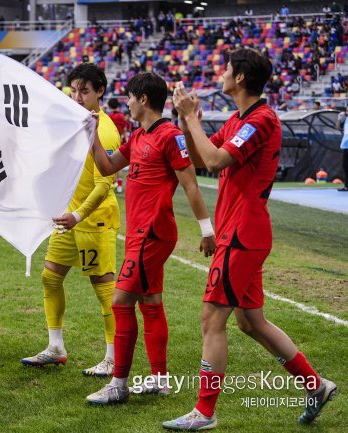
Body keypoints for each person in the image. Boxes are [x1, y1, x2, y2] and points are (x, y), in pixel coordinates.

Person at [164, 48, 337, 430]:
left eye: (226, 68)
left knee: (211, 319)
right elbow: (198, 157)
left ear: (240, 78)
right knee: (251, 323)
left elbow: (215, 161)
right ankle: (316, 386)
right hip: (238, 232)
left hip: (243, 234)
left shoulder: (261, 120)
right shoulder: (240, 119)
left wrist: (192, 117)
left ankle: (205, 413)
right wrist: (185, 120)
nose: (222, 74)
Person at [85, 72, 215, 405]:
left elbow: (190, 186)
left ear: (143, 99)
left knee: (120, 301)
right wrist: (92, 137)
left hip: (153, 233)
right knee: (151, 304)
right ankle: (159, 380)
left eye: (129, 97)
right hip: (138, 235)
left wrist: (206, 231)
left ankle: (118, 384)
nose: (126, 102)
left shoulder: (170, 136)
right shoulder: (139, 137)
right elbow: (106, 166)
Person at [21, 64, 121, 378]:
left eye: (85, 91)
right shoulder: (73, 124)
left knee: (103, 287)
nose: (77, 97)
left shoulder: (104, 129)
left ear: (100, 92)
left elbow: (106, 185)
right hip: (69, 217)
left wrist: (78, 215)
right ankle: (56, 347)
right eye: (73, 90)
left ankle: (113, 358)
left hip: (93, 221)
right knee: (50, 277)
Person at [335, 106, 348, 191]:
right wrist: (340, 119)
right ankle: (347, 186)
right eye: (347, 110)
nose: (347, 111)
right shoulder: (346, 119)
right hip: (346, 145)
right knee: (345, 166)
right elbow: (337, 127)